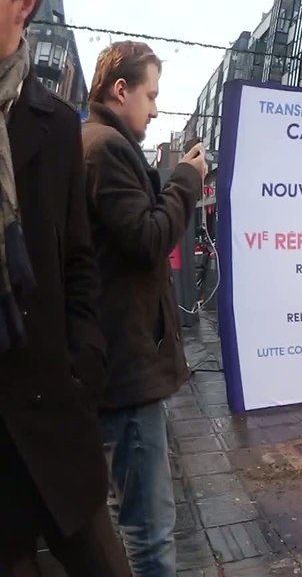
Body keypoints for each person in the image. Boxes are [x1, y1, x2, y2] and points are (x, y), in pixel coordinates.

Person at [0, 0, 130, 576]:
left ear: (25, 2)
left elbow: (78, 263)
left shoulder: (53, 128)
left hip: (52, 409)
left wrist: (85, 368)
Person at [81, 41, 206, 577]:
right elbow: (148, 238)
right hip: (128, 369)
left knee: (128, 511)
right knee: (151, 531)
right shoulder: (106, 148)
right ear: (121, 89)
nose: (155, 110)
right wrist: (185, 181)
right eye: (151, 96)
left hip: (119, 361)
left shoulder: (98, 142)